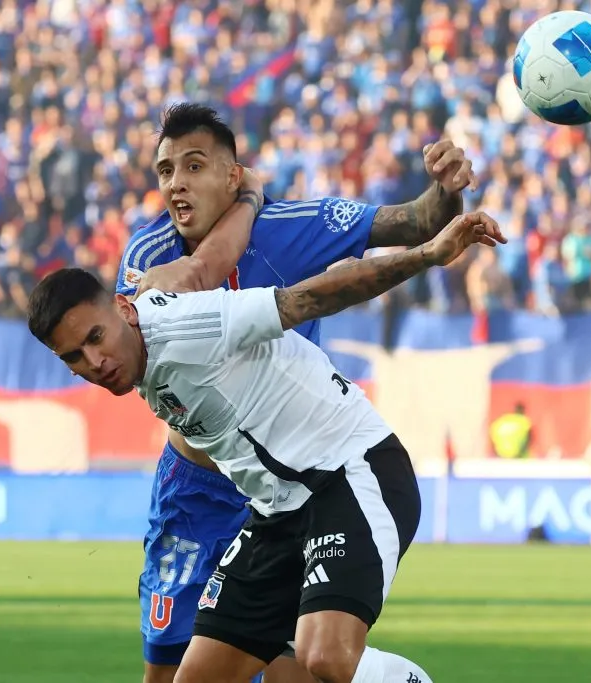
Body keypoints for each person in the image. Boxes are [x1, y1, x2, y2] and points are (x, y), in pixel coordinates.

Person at [26, 209, 504, 683]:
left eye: (96, 337)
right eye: (74, 357)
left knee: (327, 657)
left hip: (351, 472)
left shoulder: (191, 325)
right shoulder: (138, 350)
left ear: (124, 310)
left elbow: (306, 299)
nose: (95, 361)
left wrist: (427, 254)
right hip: (278, 512)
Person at [116, 103, 481, 683]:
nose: (176, 183)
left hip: (303, 472)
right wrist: (250, 203)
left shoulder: (291, 227)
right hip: (198, 491)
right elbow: (198, 281)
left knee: (302, 667)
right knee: (166, 673)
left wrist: (445, 189)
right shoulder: (149, 253)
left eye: (193, 165)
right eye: (165, 171)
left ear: (231, 174)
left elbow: (416, 222)